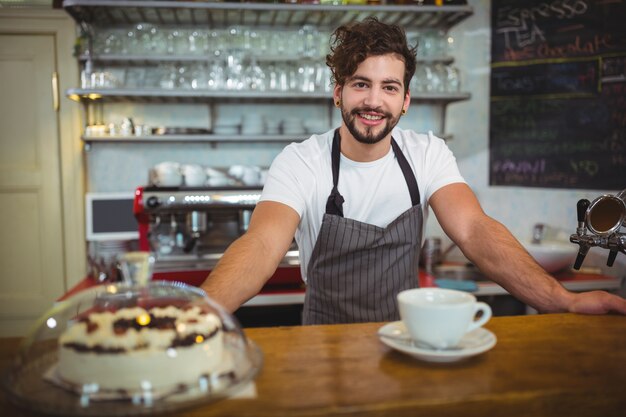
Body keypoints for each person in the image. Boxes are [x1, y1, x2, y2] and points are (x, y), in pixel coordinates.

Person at [201, 17, 626, 324]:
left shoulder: (428, 154)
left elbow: (474, 230)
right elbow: (261, 245)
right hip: (324, 341)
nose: (373, 101)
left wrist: (561, 299)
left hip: (407, 336)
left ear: (405, 100)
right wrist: (196, 311)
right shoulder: (300, 161)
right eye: (360, 84)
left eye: (389, 87)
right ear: (338, 93)